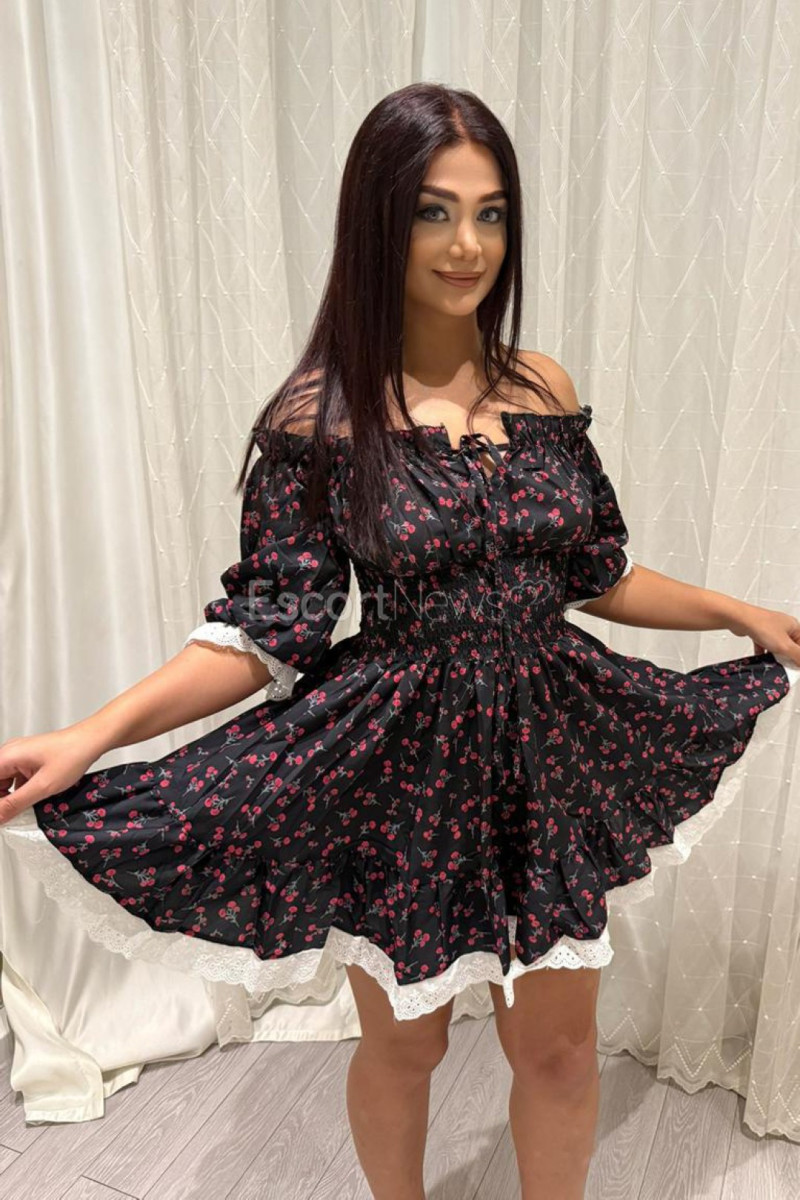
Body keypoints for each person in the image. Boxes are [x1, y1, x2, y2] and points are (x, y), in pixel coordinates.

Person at [1, 83, 799, 1200]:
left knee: (560, 1051)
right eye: (434, 211)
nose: (468, 244)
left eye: (490, 212)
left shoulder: (542, 388)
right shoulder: (320, 416)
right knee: (406, 1045)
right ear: (378, 220)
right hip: (399, 763)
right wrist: (91, 736)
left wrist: (737, 611)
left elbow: (595, 572)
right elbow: (265, 626)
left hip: (548, 747)